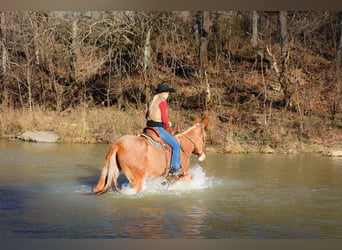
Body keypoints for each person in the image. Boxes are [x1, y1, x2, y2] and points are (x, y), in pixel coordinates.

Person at [146, 83, 182, 178]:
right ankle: (174, 170)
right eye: (168, 92)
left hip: (148, 127)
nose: (168, 94)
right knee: (176, 146)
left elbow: (147, 115)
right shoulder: (162, 102)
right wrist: (167, 124)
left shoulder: (152, 100)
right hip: (158, 128)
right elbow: (164, 119)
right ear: (165, 93)